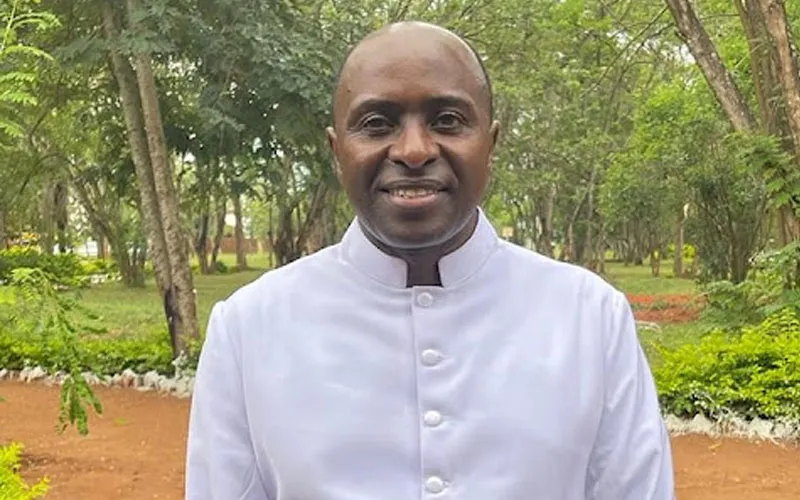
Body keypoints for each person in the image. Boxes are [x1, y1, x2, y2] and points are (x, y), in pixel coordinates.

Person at [185, 21, 675, 500]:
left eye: (448, 121)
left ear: (491, 144)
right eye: (376, 124)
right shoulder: (250, 329)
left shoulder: (589, 318)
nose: (414, 150)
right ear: (337, 151)